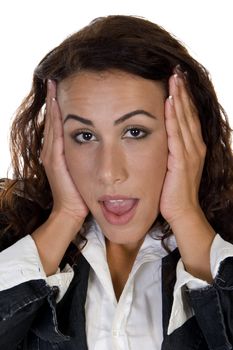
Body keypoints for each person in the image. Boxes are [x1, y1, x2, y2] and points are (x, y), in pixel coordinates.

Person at [0, 14, 233, 350]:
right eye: (84, 135)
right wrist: (64, 216)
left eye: (134, 132)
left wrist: (185, 214)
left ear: (186, 132)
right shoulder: (12, 236)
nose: (109, 172)